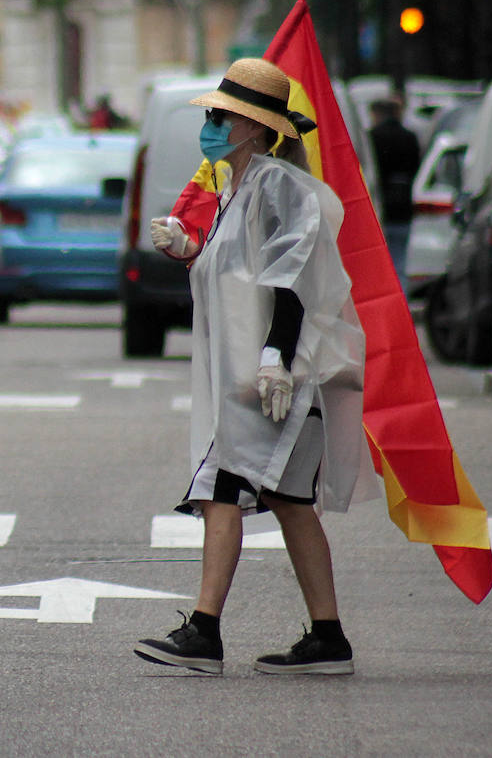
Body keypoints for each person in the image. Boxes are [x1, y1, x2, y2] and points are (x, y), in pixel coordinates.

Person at [133, 58, 374, 676]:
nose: (210, 126)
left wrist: (275, 359)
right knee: (291, 502)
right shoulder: (235, 191)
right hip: (257, 382)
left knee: (221, 490)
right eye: (210, 115)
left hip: (278, 382)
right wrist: (191, 250)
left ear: (254, 127)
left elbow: (291, 281)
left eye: (221, 116)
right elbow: (242, 280)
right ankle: (328, 639)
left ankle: (205, 632)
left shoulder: (278, 187)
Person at [368, 98, 422, 293]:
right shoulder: (410, 137)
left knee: (378, 264)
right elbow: (416, 167)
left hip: (380, 208)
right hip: (403, 207)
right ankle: (402, 302)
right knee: (400, 262)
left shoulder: (373, 137)